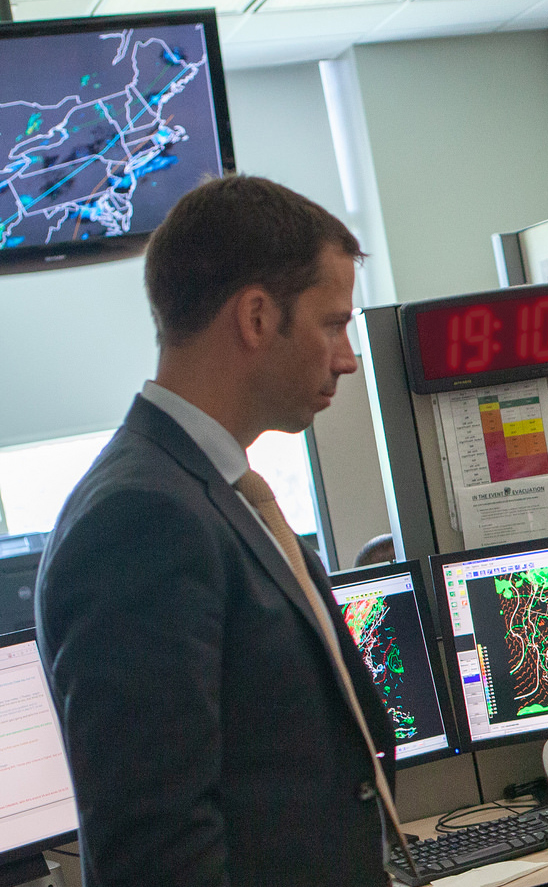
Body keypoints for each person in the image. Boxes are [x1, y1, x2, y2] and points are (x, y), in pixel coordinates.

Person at [35, 176, 399, 887]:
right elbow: (158, 851)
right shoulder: (142, 519)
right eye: (332, 324)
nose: (347, 357)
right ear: (257, 317)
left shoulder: (212, 494)